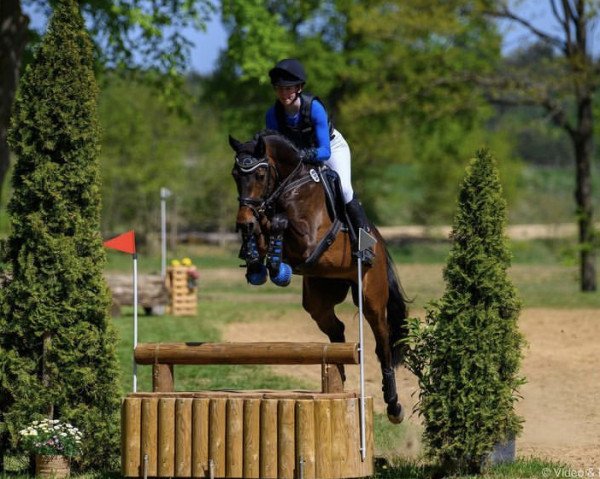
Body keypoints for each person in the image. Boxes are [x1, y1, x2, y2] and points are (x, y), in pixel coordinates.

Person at [265, 58, 374, 262]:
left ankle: (365, 243)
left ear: (299, 88)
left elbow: (324, 152)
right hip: (299, 157)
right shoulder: (273, 115)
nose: (283, 93)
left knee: (344, 190)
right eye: (279, 88)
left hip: (331, 148)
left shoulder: (313, 108)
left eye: (288, 88)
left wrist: (302, 155)